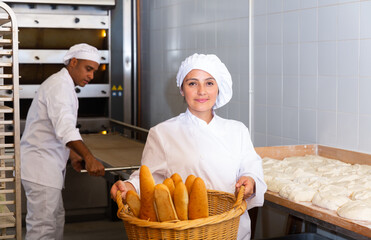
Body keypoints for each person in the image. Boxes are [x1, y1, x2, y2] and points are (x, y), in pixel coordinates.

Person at [110, 53, 267, 240]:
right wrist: (129, 186)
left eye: (209, 83)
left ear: (219, 88)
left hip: (232, 230)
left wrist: (250, 180)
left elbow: (251, 167)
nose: (202, 91)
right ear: (182, 90)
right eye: (192, 83)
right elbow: (150, 178)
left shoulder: (237, 130)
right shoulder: (163, 132)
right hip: (185, 231)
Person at [21, 43, 105, 240]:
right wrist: (88, 157)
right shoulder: (59, 86)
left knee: (55, 220)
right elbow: (65, 129)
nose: (92, 76)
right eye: (88, 69)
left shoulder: (64, 85)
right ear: (73, 62)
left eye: (95, 71)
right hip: (41, 168)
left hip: (47, 167)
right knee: (43, 229)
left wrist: (73, 154)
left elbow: (55, 129)